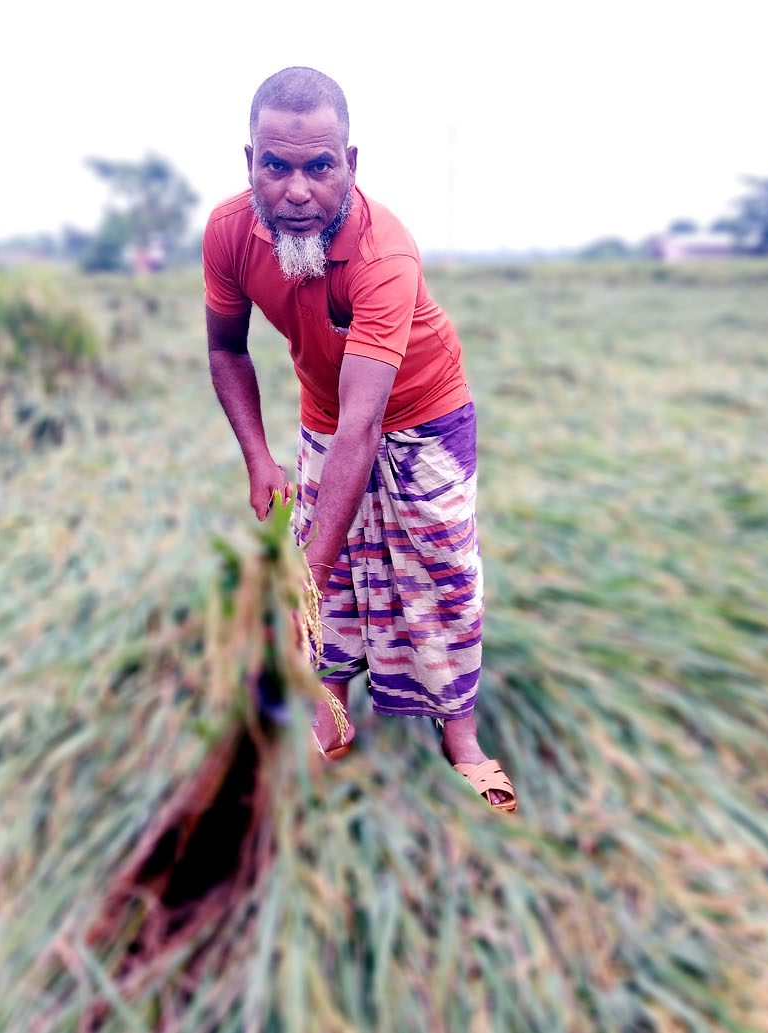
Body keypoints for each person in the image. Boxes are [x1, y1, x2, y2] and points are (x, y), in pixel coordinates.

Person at [203, 66, 515, 813]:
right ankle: (329, 712)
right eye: (276, 166)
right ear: (249, 162)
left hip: (423, 418)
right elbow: (225, 349)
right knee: (337, 576)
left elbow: (365, 424)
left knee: (439, 575)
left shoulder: (384, 255)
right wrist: (259, 458)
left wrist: (303, 574)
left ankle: (462, 737)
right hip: (324, 415)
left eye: (320, 167)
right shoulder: (228, 233)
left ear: (350, 163)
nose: (297, 191)